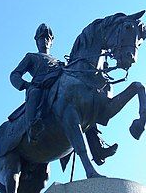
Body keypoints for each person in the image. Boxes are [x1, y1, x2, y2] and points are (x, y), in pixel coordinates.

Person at [10, 23, 118, 164]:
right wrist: (26, 85)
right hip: (40, 86)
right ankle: (32, 127)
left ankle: (98, 150)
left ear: (51, 41)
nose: (45, 41)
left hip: (56, 84)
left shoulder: (58, 61)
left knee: (85, 111)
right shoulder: (31, 57)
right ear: (36, 40)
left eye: (48, 38)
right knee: (34, 93)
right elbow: (14, 75)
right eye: (42, 38)